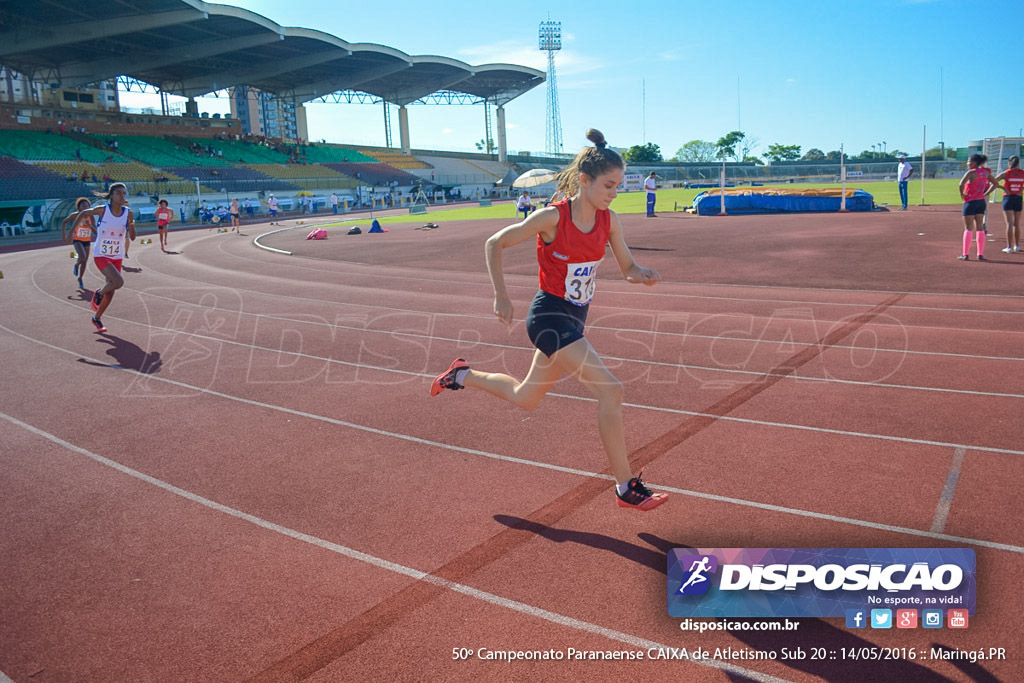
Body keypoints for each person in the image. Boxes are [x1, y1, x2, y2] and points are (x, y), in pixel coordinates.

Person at [430, 129, 667, 512]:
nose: (614, 193)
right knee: (611, 390)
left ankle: (461, 375)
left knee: (525, 397)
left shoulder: (610, 220)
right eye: (609, 185)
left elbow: (627, 268)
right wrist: (501, 295)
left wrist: (644, 273)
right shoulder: (552, 217)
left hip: (575, 320)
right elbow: (494, 243)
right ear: (585, 180)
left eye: (619, 186)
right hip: (548, 318)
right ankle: (625, 487)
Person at [69, 183, 134, 332]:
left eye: (124, 193)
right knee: (118, 281)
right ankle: (98, 293)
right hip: (101, 254)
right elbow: (83, 213)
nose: (122, 195)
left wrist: (131, 221)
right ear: (111, 195)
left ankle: (96, 318)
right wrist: (70, 232)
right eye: (118, 193)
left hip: (117, 255)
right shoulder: (102, 210)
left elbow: (134, 236)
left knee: (111, 291)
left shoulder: (127, 213)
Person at [958, 153, 996, 261]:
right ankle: (980, 254)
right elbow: (995, 183)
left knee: (969, 228)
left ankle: (965, 254)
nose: (967, 163)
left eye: (969, 161)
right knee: (980, 227)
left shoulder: (971, 173)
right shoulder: (985, 173)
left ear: (974, 162)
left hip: (970, 201)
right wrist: (986, 193)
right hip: (980, 201)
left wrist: (962, 194)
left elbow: (960, 184)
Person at [61, 197, 95, 289]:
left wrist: (90, 226)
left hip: (87, 240)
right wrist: (64, 236)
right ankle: (76, 265)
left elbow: (96, 232)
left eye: (86, 206)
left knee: (85, 261)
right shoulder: (75, 215)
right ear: (78, 207)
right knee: (82, 256)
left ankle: (80, 278)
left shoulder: (91, 217)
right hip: (77, 240)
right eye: (82, 205)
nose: (85, 207)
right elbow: (64, 222)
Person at [994, 155, 1024, 254]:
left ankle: (1009, 246)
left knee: (1009, 223)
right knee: (1017, 223)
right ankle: (1017, 246)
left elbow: (994, 181)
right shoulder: (1022, 173)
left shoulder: (1006, 173)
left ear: (1010, 162)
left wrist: (1004, 188)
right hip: (1018, 198)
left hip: (1008, 198)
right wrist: (1021, 190)